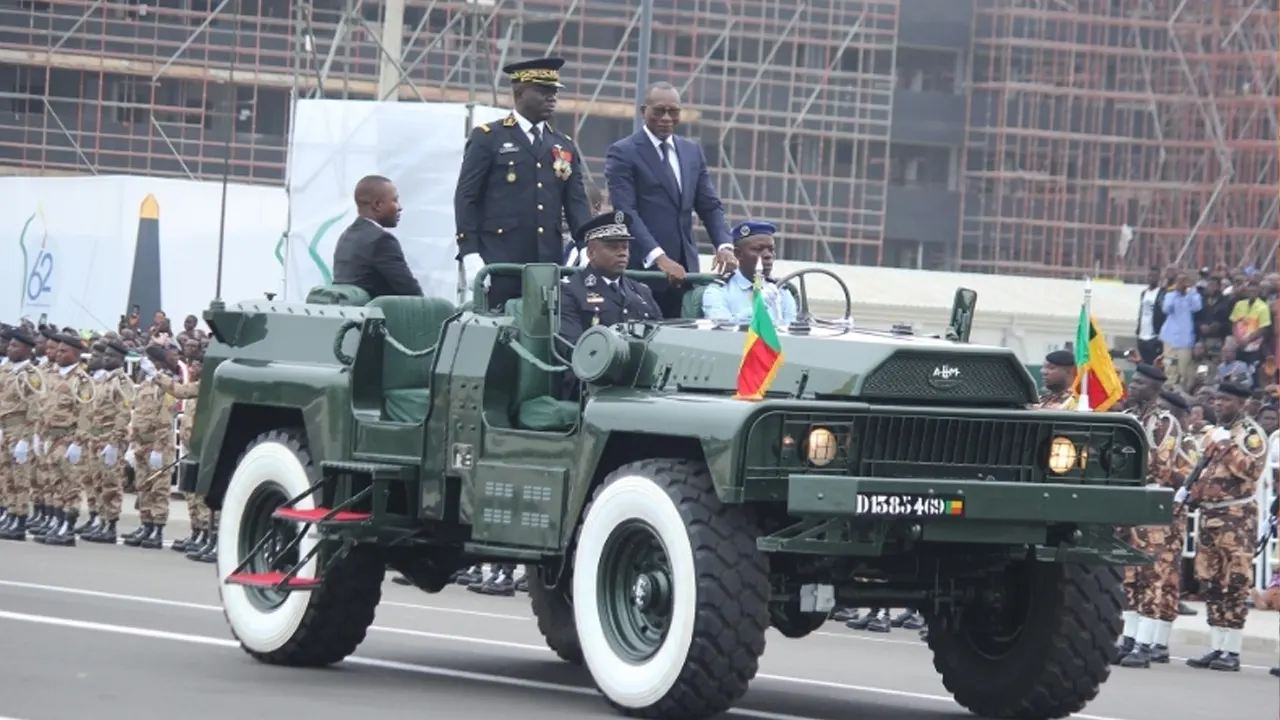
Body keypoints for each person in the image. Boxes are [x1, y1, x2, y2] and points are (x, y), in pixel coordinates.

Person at [455, 57, 591, 310]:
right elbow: (466, 198)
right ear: (519, 94)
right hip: (499, 258)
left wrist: (585, 245)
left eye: (554, 92)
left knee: (542, 331)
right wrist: (470, 252)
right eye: (542, 91)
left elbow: (577, 204)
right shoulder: (489, 137)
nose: (551, 98)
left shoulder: (562, 144)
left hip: (546, 262)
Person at [604, 82, 734, 317]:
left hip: (686, 273)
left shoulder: (691, 152)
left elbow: (709, 205)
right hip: (644, 274)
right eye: (659, 110)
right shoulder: (623, 152)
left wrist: (724, 245)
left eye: (673, 111)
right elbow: (626, 212)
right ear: (644, 111)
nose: (666, 118)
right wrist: (659, 258)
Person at [1184, 382, 1269, 672]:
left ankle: (1231, 651)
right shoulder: (1213, 432)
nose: (1218, 404)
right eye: (1217, 400)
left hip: (1237, 516)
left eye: (1226, 400)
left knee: (1234, 583)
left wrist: (1225, 446)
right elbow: (1203, 470)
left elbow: (1251, 470)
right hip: (1210, 516)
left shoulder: (1251, 435)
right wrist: (1192, 492)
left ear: (1242, 403)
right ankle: (1216, 646)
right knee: (1213, 583)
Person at [556, 211, 662, 375]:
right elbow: (571, 347)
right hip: (593, 380)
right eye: (613, 247)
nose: (622, 253)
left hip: (642, 379)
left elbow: (660, 340)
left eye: (625, 247)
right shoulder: (570, 291)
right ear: (591, 253)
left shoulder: (641, 292)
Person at [331, 175, 424, 300]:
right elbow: (412, 293)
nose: (400, 207)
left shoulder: (346, 237)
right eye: (395, 200)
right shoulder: (382, 241)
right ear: (377, 205)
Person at [701, 221, 796, 327]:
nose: (768, 255)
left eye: (771, 250)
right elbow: (722, 330)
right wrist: (759, 306)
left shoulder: (781, 291)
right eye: (758, 249)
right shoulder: (718, 291)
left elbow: (793, 330)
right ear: (738, 254)